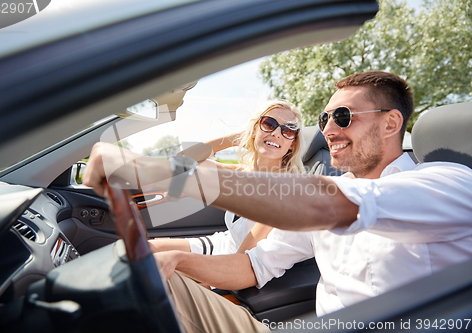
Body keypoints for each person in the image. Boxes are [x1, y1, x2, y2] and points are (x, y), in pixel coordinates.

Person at [83, 71, 472, 333]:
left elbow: (327, 204)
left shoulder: (446, 184)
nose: (328, 130)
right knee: (143, 283)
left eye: (343, 116)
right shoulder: (331, 190)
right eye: (324, 119)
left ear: (391, 124)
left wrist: (162, 171)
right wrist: (178, 261)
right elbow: (255, 264)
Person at [149, 100, 306, 257]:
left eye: (288, 130)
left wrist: (200, 279)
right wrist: (236, 138)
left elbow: (240, 261)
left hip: (229, 266)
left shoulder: (283, 191)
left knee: (157, 264)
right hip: (220, 244)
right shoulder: (243, 173)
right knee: (145, 249)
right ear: (254, 130)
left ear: (292, 144)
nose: (276, 133)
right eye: (269, 124)